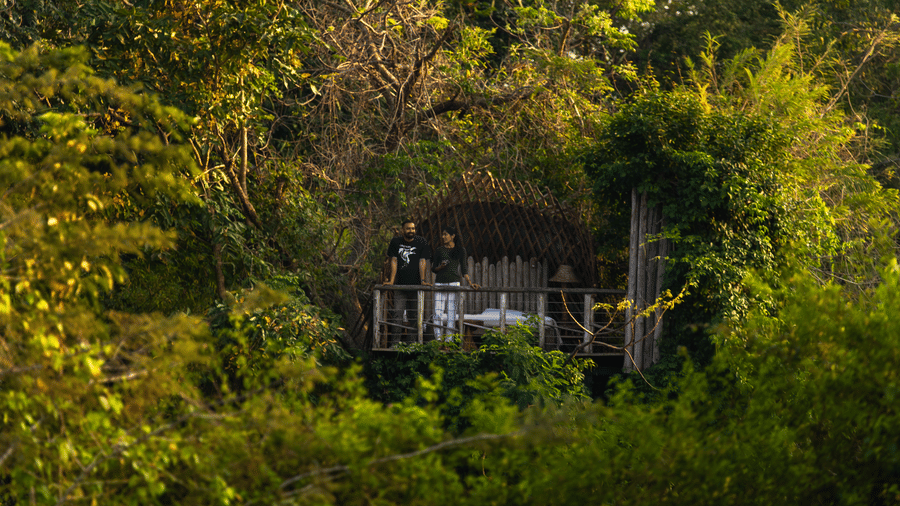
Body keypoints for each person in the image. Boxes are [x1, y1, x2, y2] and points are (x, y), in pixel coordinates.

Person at [385, 219, 431, 341]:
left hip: (415, 287)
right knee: (397, 315)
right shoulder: (396, 242)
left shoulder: (421, 242)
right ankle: (395, 344)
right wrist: (391, 281)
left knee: (414, 316)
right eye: (408, 228)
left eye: (413, 228)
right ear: (402, 230)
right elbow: (393, 261)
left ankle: (412, 344)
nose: (411, 231)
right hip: (400, 286)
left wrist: (422, 280)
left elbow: (422, 262)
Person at [431, 225, 479, 342]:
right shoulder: (439, 250)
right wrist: (440, 267)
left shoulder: (460, 250)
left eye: (446, 234)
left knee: (451, 313)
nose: (443, 237)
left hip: (454, 283)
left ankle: (448, 341)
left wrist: (470, 283)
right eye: (442, 235)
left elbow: (464, 269)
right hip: (440, 284)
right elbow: (433, 269)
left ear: (453, 236)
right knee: (437, 313)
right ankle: (438, 340)